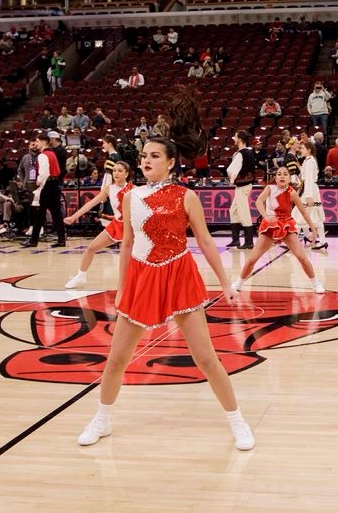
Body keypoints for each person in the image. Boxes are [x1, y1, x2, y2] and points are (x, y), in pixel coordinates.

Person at [75, 91, 254, 451]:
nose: (146, 160)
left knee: (205, 358)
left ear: (171, 163)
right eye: (144, 155)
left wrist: (225, 284)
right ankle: (102, 420)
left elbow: (205, 242)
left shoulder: (187, 196)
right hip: (141, 277)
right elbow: (127, 244)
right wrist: (122, 287)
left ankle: (238, 422)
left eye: (154, 156)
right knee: (117, 359)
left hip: (179, 274)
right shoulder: (131, 196)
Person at [231, 164, 324, 295]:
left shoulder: (292, 192)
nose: (282, 176)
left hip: (286, 224)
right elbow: (258, 202)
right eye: (279, 174)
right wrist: (266, 217)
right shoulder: (269, 188)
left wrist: (313, 229)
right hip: (271, 225)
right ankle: (239, 282)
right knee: (252, 259)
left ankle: (316, 283)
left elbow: (303, 211)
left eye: (285, 174)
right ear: (275, 178)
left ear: (289, 178)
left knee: (302, 258)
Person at [64, 155, 134, 290]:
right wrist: (73, 217)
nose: (116, 173)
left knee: (132, 258)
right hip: (116, 225)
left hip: (130, 227)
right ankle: (81, 277)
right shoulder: (108, 188)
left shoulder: (134, 189)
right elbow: (90, 204)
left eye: (120, 171)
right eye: (114, 170)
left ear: (126, 174)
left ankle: (136, 283)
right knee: (91, 248)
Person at [225, 132, 260, 250]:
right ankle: (235, 240)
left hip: (242, 186)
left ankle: (249, 241)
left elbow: (231, 170)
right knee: (233, 210)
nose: (234, 139)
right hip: (246, 185)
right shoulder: (249, 152)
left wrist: (231, 180)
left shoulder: (241, 153)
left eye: (235, 137)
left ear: (239, 139)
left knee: (243, 212)